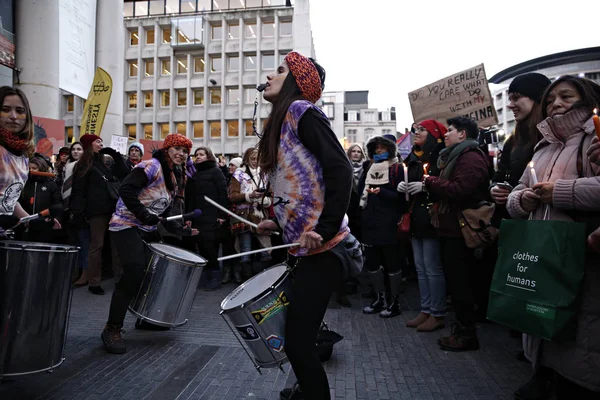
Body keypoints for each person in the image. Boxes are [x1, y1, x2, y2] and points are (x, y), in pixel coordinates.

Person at [255, 51, 352, 400]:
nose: (269, 76)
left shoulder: (301, 111)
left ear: (296, 81)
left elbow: (341, 170)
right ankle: (306, 391)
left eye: (280, 71)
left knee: (297, 343)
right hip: (305, 249)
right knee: (300, 339)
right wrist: (276, 222)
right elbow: (298, 188)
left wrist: (323, 229)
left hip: (324, 249)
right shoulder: (284, 123)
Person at [506, 75, 600, 400]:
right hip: (541, 253)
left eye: (566, 97)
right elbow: (518, 190)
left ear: (586, 99)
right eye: (550, 99)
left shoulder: (596, 138)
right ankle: (542, 376)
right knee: (542, 323)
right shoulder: (543, 145)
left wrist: (557, 192)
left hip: (582, 255)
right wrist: (521, 200)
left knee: (578, 337)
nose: (556, 104)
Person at [101, 133, 198, 354]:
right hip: (125, 224)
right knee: (134, 271)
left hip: (148, 228)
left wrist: (181, 230)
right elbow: (126, 190)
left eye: (185, 151)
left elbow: (164, 211)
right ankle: (112, 328)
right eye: (177, 149)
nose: (181, 154)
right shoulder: (150, 166)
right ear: (167, 149)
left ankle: (145, 317)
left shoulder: (174, 176)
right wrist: (143, 215)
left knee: (156, 271)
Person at [424, 116, 490, 352]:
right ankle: (462, 329)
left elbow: (461, 189)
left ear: (462, 134)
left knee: (462, 282)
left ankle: (466, 334)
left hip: (463, 230)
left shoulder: (471, 157)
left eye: (450, 130)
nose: (446, 135)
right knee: (457, 280)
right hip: (452, 227)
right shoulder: (455, 156)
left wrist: (431, 182)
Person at [398, 119, 446, 332]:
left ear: (434, 135)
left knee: (432, 267)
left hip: (432, 218)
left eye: (421, 130)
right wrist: (402, 185)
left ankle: (437, 312)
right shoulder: (412, 157)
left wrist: (426, 186)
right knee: (420, 267)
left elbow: (447, 185)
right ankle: (425, 309)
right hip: (416, 218)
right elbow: (408, 178)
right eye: (415, 129)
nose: (415, 133)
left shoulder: (441, 156)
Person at [69, 134, 129, 295]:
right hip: (96, 211)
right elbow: (78, 190)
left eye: (102, 141)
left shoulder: (105, 162)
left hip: (113, 209)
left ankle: (120, 279)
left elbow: (124, 172)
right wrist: (78, 212)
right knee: (97, 245)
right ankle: (94, 281)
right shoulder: (84, 165)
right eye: (98, 142)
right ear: (89, 145)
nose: (101, 144)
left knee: (117, 246)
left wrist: (115, 155)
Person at [359, 135, 407, 318]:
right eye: (376, 148)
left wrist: (381, 192)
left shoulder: (397, 169)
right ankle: (380, 299)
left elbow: (400, 198)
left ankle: (394, 302)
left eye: (383, 148)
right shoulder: (368, 167)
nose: (379, 151)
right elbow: (361, 190)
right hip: (369, 221)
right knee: (372, 262)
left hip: (388, 222)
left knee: (392, 262)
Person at [185, 146, 228, 290]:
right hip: (198, 216)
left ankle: (215, 276)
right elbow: (189, 197)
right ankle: (206, 275)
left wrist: (222, 214)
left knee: (210, 246)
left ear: (208, 156)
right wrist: (188, 216)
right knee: (201, 245)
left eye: (201, 154)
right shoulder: (194, 175)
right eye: (196, 155)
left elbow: (223, 193)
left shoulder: (216, 172)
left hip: (212, 216)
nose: (197, 157)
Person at [228, 147, 272, 281]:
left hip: (260, 215)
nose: (256, 161)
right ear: (247, 159)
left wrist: (265, 201)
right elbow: (232, 196)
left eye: (259, 158)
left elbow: (270, 194)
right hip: (244, 215)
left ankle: (266, 281)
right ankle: (247, 281)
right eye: (253, 158)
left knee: (266, 249)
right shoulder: (239, 174)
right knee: (245, 250)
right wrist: (249, 195)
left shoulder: (264, 174)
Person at [0, 86, 34, 236]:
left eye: (20, 111)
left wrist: (30, 219)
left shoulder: (23, 155)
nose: (13, 116)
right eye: (6, 109)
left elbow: (8, 199)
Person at [16, 155, 63, 243]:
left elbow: (58, 204)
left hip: (44, 225)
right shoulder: (22, 184)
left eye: (34, 168)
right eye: (29, 168)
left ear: (41, 168)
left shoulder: (51, 185)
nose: (31, 170)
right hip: (24, 226)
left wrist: (57, 218)